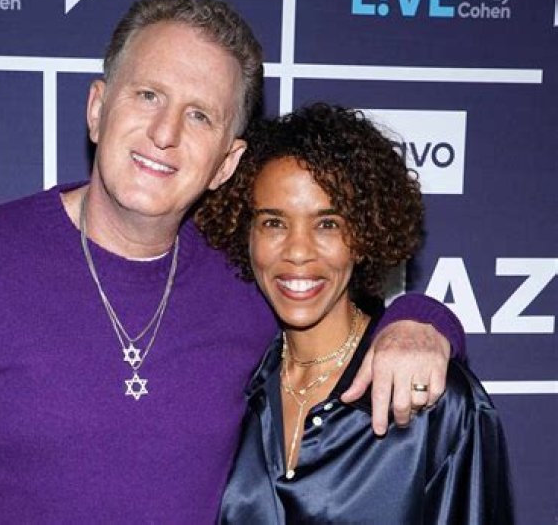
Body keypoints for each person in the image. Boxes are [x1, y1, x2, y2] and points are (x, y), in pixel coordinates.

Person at [0, 0, 464, 523]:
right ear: (97, 108)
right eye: (148, 95)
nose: (165, 134)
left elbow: (349, 321)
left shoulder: (247, 278)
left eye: (200, 115)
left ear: (226, 163)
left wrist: (424, 321)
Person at [194, 103, 513, 524]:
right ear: (246, 234)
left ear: (363, 235)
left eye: (327, 224)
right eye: (274, 223)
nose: (298, 252)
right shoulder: (229, 386)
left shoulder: (434, 402)